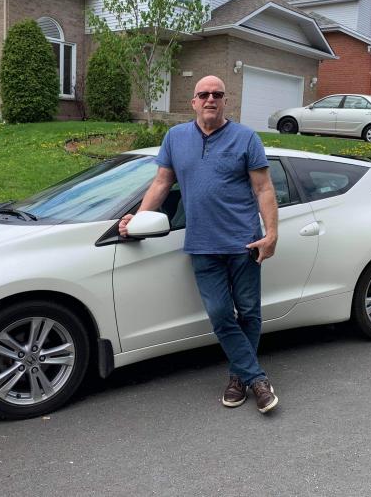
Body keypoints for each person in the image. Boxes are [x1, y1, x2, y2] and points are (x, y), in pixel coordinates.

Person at [119, 75, 280, 413]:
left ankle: (238, 378)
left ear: (225, 102)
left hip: (245, 243)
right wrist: (138, 219)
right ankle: (256, 378)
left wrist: (272, 233)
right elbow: (161, 183)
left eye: (217, 94)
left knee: (249, 312)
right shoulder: (176, 138)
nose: (210, 99)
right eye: (203, 94)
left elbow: (263, 188)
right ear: (193, 101)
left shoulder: (246, 138)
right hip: (202, 245)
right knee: (220, 313)